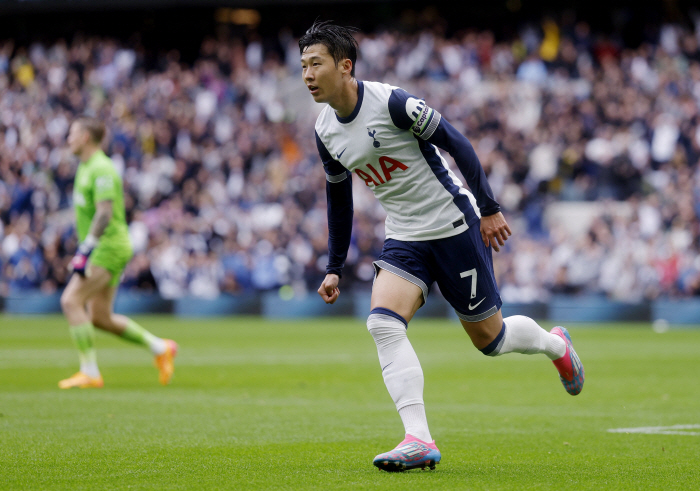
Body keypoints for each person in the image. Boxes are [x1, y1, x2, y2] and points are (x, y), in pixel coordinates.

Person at [300, 21, 584, 472]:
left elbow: (456, 142)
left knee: (491, 341)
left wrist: (488, 208)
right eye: (303, 66)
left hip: (454, 223)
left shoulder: (392, 103)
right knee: (382, 323)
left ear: (345, 66)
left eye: (316, 63)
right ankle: (418, 438)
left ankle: (555, 346)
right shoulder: (324, 130)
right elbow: (339, 198)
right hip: (405, 234)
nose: (308, 74)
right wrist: (334, 265)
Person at [58, 116, 178, 389]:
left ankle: (89, 371)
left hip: (107, 247)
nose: (68, 139)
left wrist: (85, 250)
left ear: (86, 137)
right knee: (100, 317)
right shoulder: (86, 166)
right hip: (104, 246)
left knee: (70, 301)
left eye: (72, 134)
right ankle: (161, 348)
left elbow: (104, 213)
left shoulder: (101, 168)